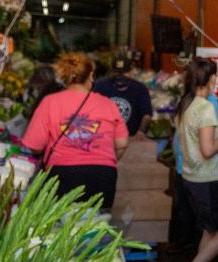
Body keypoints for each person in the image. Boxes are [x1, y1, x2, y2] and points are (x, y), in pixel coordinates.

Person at [22, 52, 128, 210]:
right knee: (96, 226)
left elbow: (35, 145)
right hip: (102, 175)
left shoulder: (50, 102)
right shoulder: (108, 104)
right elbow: (122, 143)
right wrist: (103, 159)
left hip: (62, 174)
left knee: (60, 227)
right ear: (91, 75)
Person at [175, 58, 218, 262]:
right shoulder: (206, 108)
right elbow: (208, 150)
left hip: (191, 177)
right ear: (209, 78)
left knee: (208, 230)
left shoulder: (186, 103)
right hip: (208, 178)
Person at [93, 55, 153, 136]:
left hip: (131, 138)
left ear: (131, 72)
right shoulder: (101, 87)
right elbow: (93, 112)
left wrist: (140, 132)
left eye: (124, 72)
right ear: (112, 72)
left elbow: (146, 115)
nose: (120, 75)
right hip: (105, 137)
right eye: (117, 72)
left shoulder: (140, 89)